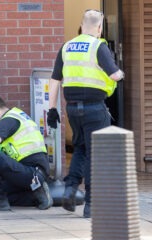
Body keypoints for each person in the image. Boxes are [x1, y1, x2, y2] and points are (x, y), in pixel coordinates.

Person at [47, 9, 124, 218]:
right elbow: (115, 75)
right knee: (95, 154)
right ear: (99, 28)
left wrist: (52, 109)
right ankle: (91, 204)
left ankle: (70, 189)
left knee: (80, 147)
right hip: (94, 109)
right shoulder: (99, 46)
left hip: (72, 109)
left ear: (81, 26)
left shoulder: (67, 47)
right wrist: (121, 72)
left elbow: (54, 80)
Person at [0, 95, 53, 211]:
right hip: (34, 173)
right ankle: (37, 195)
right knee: (0, 192)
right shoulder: (18, 116)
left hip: (31, 172)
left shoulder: (8, 120)